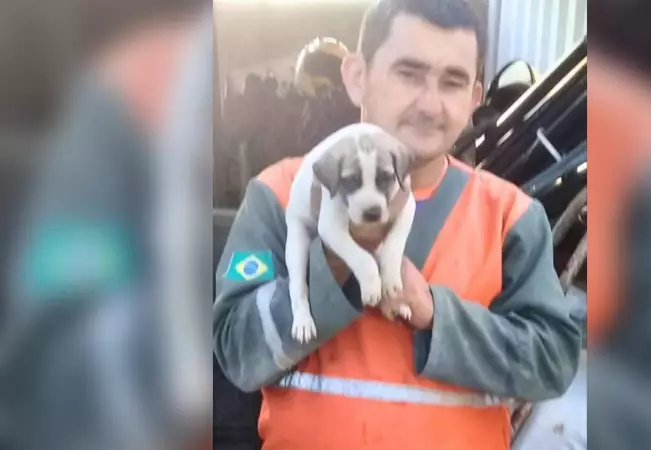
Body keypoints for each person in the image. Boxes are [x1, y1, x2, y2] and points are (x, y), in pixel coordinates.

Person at [212, 1, 582, 449]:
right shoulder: (278, 196)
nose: (429, 104)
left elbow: (554, 359)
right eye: (409, 73)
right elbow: (234, 350)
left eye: (453, 82)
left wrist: (436, 315)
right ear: (357, 76)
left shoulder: (512, 217)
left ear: (474, 98)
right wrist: (332, 265)